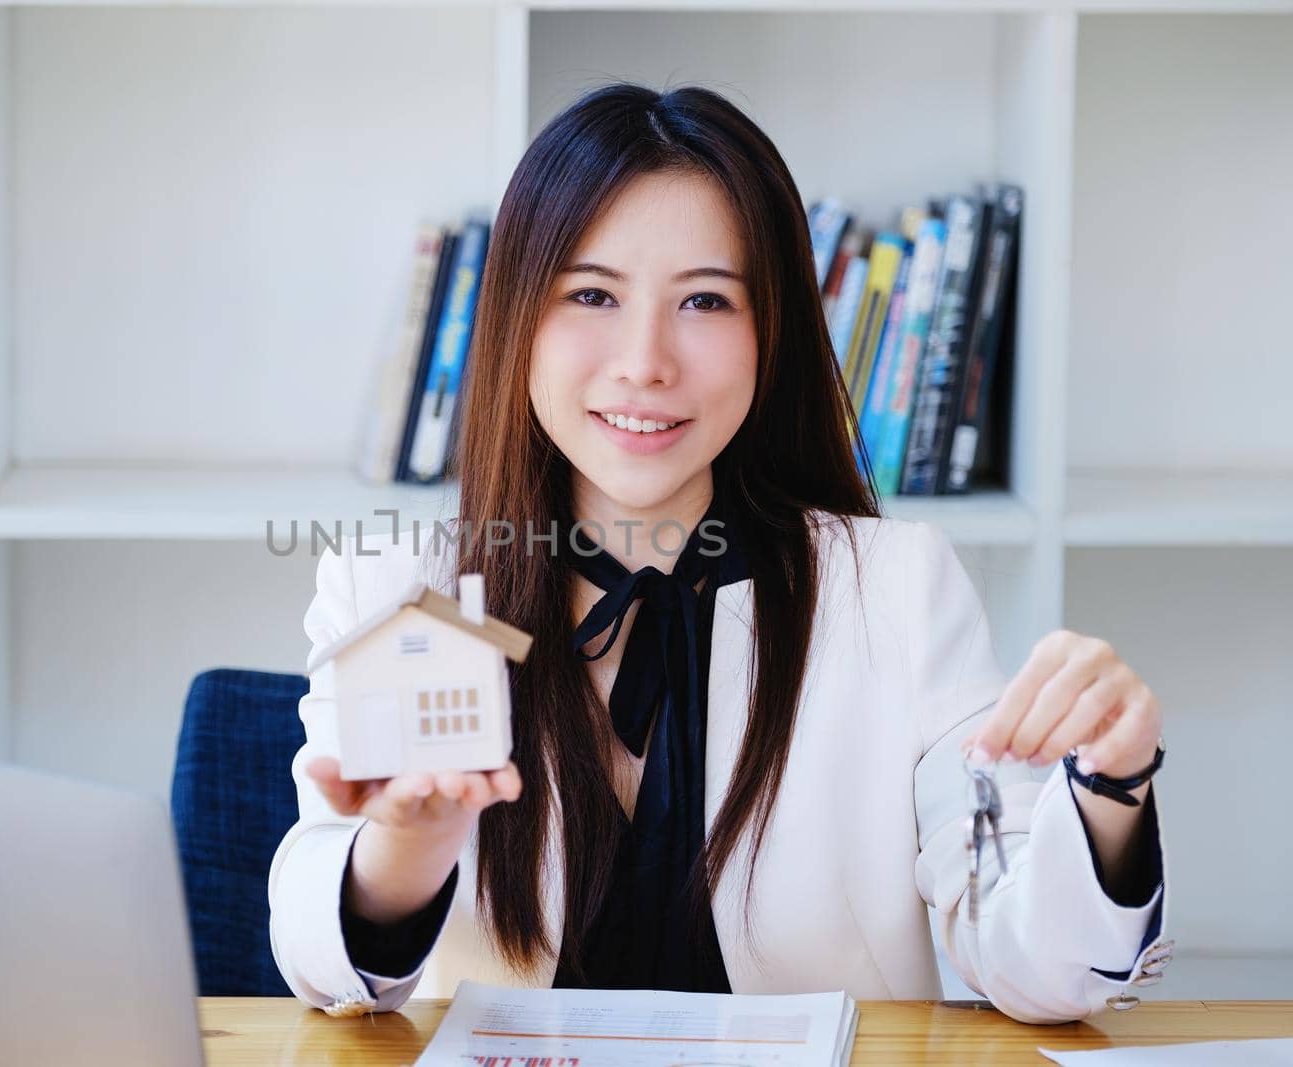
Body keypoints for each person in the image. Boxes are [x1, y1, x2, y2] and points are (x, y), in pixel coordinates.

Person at [267, 82, 1167, 1024]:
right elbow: (320, 969)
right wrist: (408, 846)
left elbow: (1041, 970)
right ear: (517, 320)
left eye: (703, 299)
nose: (646, 361)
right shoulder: (397, 587)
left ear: (770, 332)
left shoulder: (896, 588)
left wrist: (1111, 786)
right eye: (591, 294)